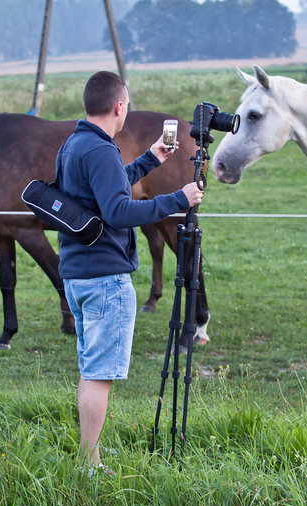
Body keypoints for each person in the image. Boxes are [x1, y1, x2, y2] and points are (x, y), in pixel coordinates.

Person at [57, 71, 204, 469]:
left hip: (78, 272)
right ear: (120, 107)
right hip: (104, 277)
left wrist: (150, 159)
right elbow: (118, 211)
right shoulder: (101, 150)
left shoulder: (75, 144)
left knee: (91, 370)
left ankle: (92, 455)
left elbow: (105, 190)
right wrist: (178, 198)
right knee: (99, 375)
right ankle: (89, 464)